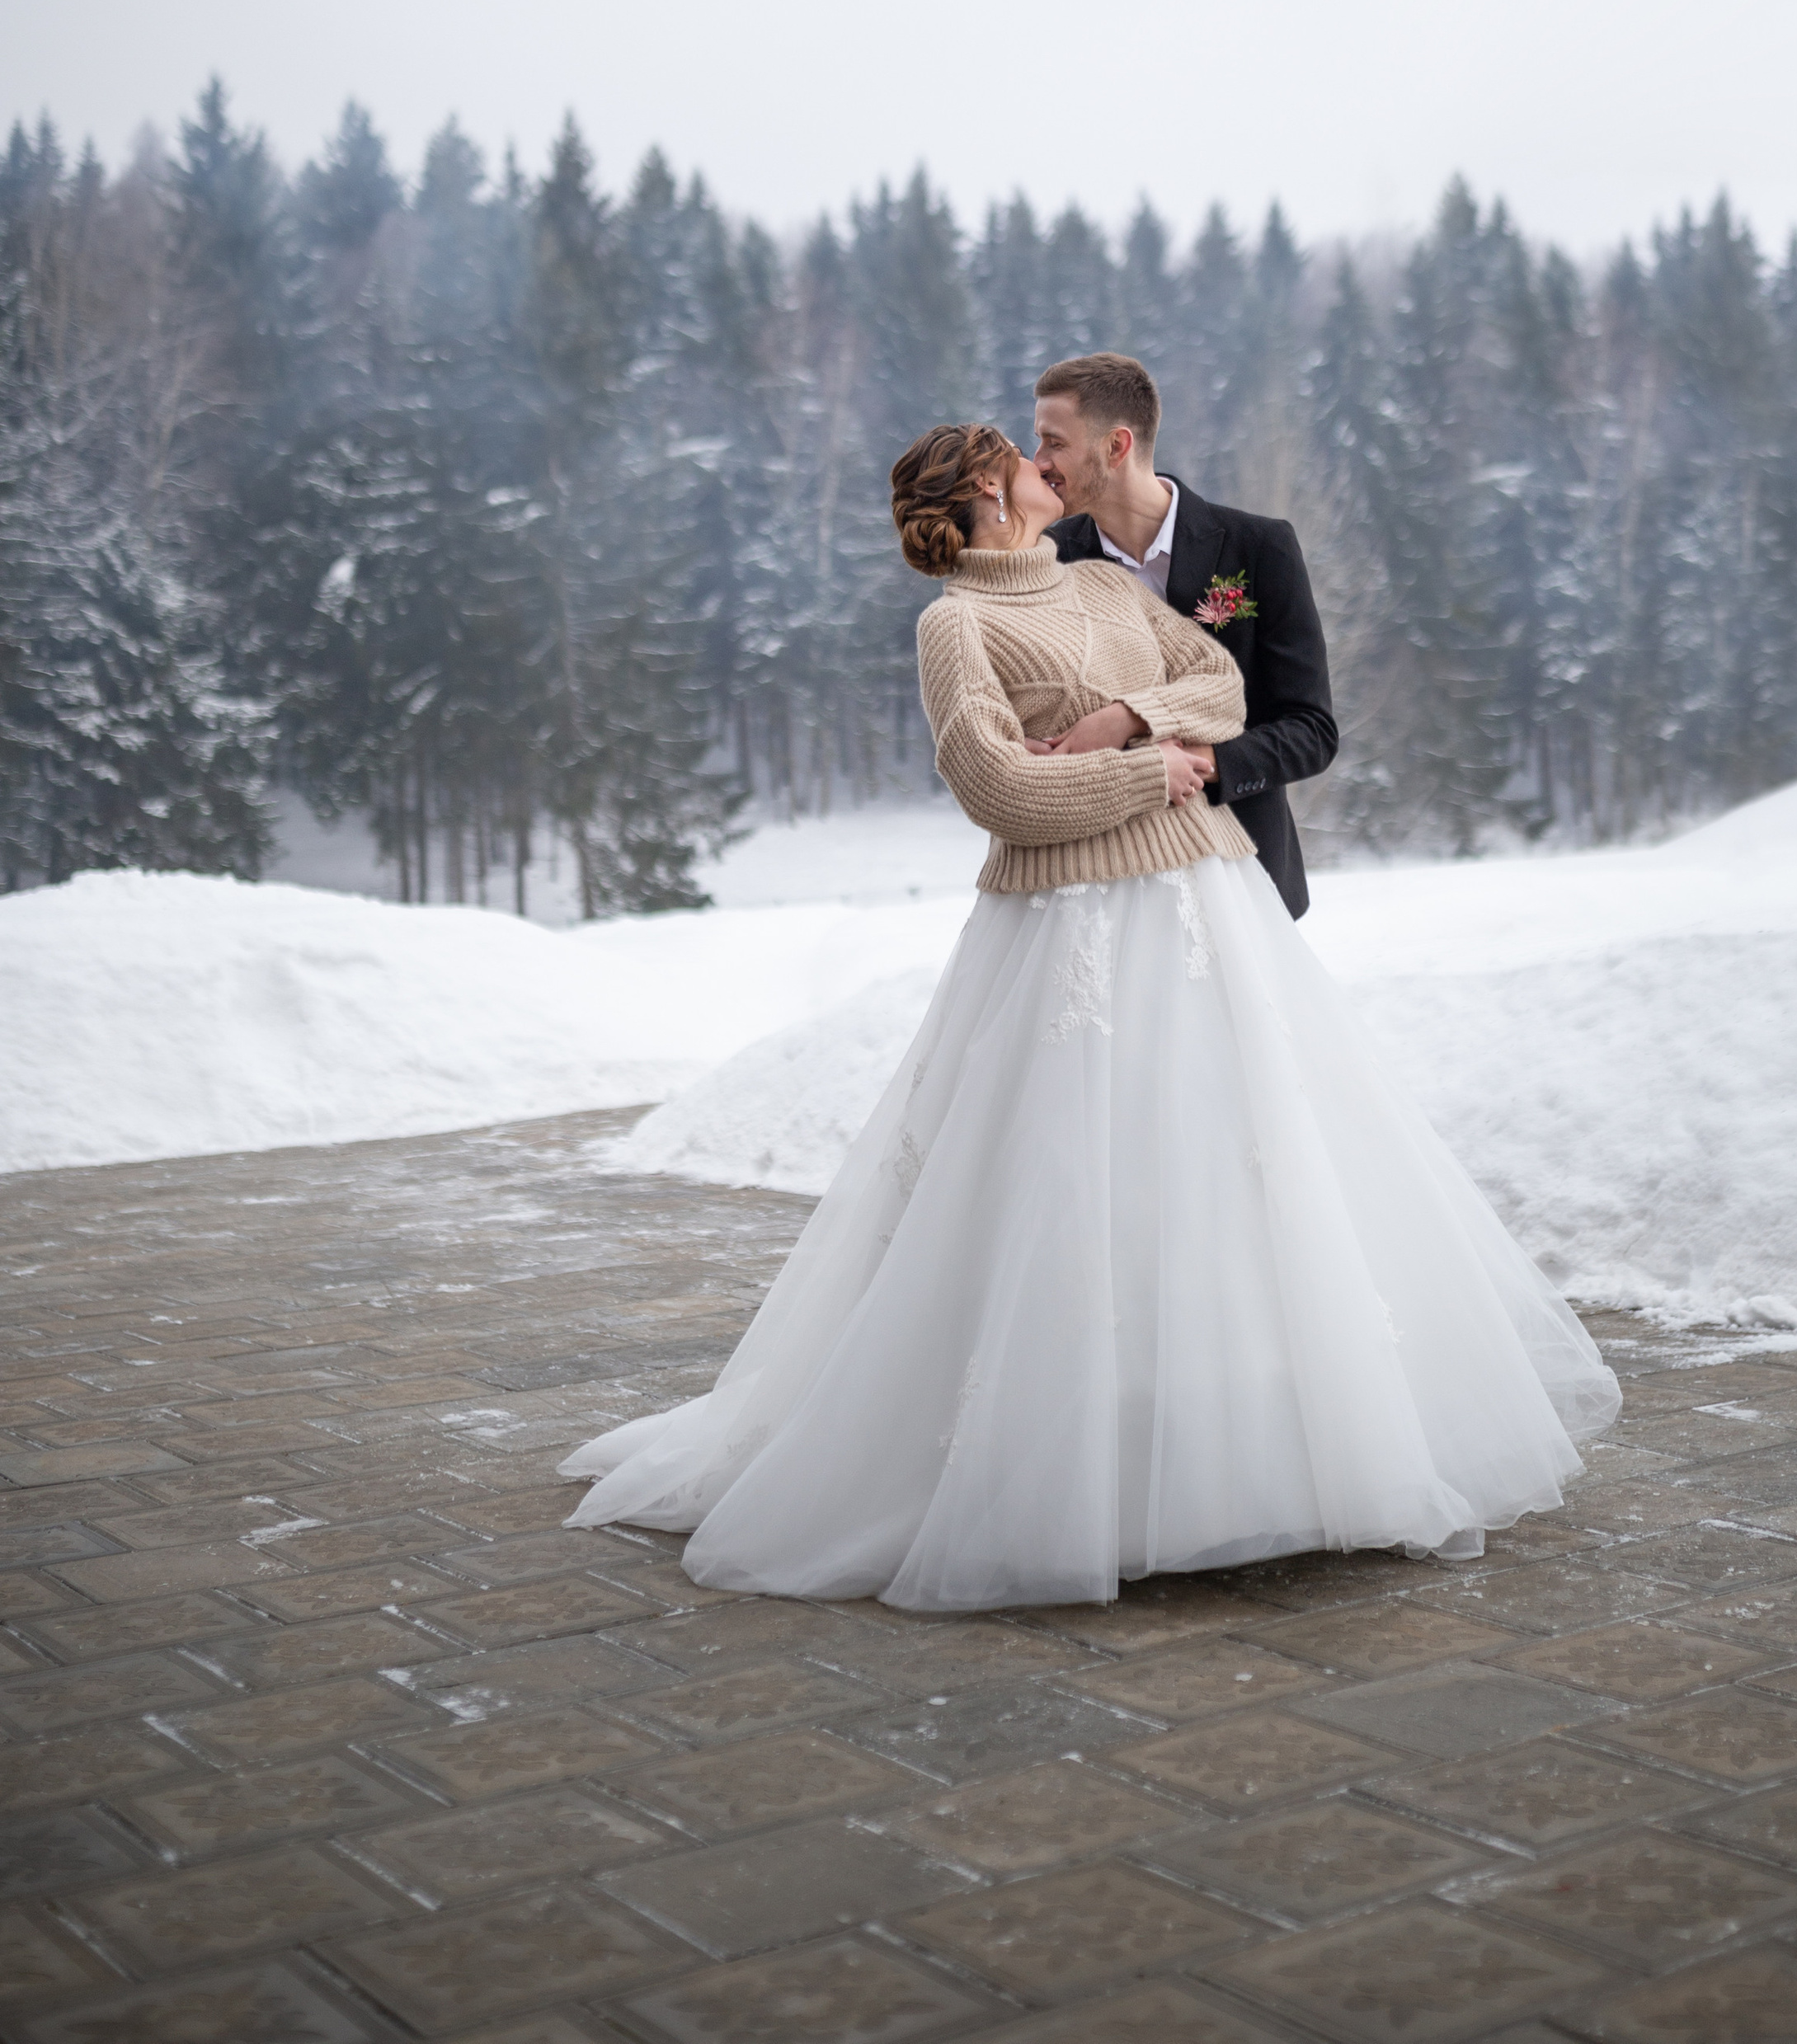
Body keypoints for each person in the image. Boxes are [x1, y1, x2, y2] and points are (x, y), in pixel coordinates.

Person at [560, 421, 1620, 1613]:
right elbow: (996, 788)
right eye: (1024, 459)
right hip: (1065, 933)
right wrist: (1146, 775)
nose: (1044, 469)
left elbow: (1219, 680)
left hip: (1211, 911)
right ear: (982, 493)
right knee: (1070, 1193)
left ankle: (1251, 1445)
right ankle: (1072, 1463)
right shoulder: (955, 624)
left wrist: (1126, 724)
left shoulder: (1101, 586)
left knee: (1230, 1180)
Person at [1034, 350, 1337, 918]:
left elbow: (1311, 731)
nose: (1039, 460)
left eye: (1055, 442)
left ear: (1116, 446)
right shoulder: (1048, 560)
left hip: (1243, 883)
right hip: (1100, 891)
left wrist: (1196, 759)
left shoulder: (1260, 548)